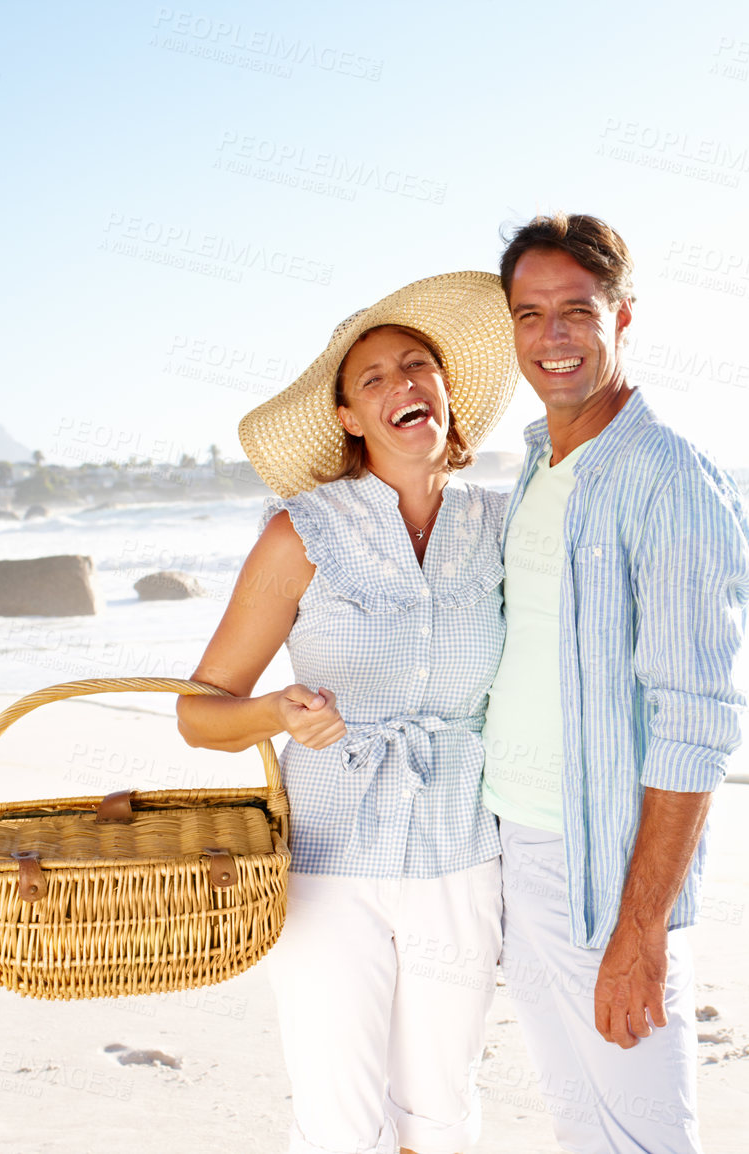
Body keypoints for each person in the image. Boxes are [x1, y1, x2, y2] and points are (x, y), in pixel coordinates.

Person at [175, 270, 520, 1154]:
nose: (403, 384)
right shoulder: (302, 533)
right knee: (337, 1119)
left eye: (418, 367)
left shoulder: (503, 522)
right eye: (374, 379)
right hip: (329, 862)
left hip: (461, 854)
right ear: (348, 418)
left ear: (447, 394)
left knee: (441, 1114)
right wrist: (277, 715)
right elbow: (199, 714)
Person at [481, 214, 749, 1153]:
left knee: (643, 1139)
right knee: (577, 1123)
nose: (552, 336)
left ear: (622, 317)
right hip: (516, 844)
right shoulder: (537, 463)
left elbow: (696, 724)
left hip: (603, 863)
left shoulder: (667, 478)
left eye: (576, 312)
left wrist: (642, 930)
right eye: (530, 313)